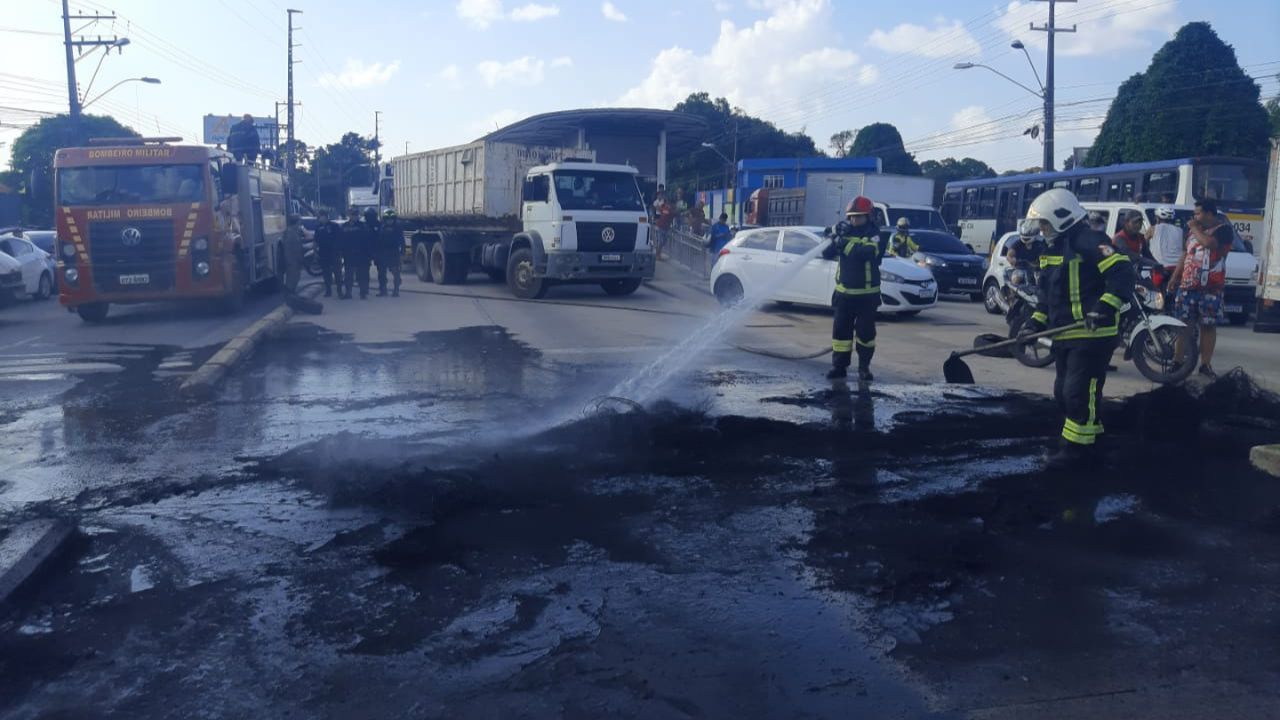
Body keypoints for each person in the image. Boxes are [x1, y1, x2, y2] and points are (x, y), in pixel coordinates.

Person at [1021, 188, 1134, 470]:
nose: (1043, 230)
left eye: (1045, 224)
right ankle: (1090, 439)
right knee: (1063, 392)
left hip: (1094, 334)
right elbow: (1047, 297)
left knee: (1078, 392)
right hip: (1066, 334)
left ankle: (1078, 450)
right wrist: (1034, 322)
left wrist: (1104, 307)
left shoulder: (1089, 240)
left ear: (1061, 218)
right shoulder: (1051, 251)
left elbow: (1122, 272)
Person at [822, 196, 887, 382]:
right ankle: (839, 367)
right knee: (841, 335)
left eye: (858, 216)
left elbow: (866, 252)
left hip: (867, 297)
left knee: (866, 335)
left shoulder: (876, 235)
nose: (854, 220)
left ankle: (864, 369)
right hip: (844, 296)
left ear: (869, 216)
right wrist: (832, 235)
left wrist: (843, 241)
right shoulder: (845, 233)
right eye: (851, 217)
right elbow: (827, 254)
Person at [1168, 198, 1234, 379]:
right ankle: (1178, 361)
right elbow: (1185, 253)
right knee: (1183, 325)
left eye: (1198, 213)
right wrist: (1175, 276)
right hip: (1188, 286)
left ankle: (1205, 364)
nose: (1194, 217)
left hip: (1211, 288)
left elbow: (1209, 244)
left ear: (1210, 213)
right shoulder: (1190, 232)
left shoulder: (1224, 230)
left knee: (1208, 326)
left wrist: (1195, 228)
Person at [341, 208, 372, 300]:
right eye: (352, 214)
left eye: (355, 214)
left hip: (361, 254)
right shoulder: (344, 226)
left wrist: (368, 254)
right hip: (348, 255)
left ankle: (363, 293)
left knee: (361, 275)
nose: (354, 216)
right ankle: (348, 293)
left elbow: (367, 241)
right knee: (348, 275)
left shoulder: (363, 226)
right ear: (349, 215)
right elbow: (340, 240)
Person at [1147, 206, 1185, 273]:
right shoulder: (1180, 231)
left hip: (1160, 268)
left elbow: (1142, 244)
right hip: (1178, 268)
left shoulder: (1152, 229)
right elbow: (1185, 249)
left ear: (1157, 218)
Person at [314, 209, 342, 298]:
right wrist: (315, 252)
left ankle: (339, 291)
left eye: (320, 216)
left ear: (325, 216)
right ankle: (328, 291)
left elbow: (340, 239)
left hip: (334, 253)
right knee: (326, 273)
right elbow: (315, 241)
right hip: (323, 253)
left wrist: (340, 251)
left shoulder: (334, 226)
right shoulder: (318, 227)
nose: (318, 218)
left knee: (337, 273)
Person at [376, 208, 403, 297]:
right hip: (383, 253)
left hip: (394, 252)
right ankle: (383, 290)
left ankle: (396, 290)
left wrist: (403, 250)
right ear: (384, 219)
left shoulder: (398, 228)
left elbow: (402, 240)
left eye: (391, 218)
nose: (389, 220)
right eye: (387, 219)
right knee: (382, 273)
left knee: (396, 273)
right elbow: (377, 240)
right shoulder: (381, 227)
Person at [282, 214, 304, 293]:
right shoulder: (290, 232)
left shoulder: (295, 231)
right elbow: (289, 248)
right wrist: (290, 260)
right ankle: (290, 294)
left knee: (296, 277)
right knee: (292, 278)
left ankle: (292, 292)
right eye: (299, 221)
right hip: (292, 260)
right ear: (296, 222)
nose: (300, 223)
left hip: (296, 259)